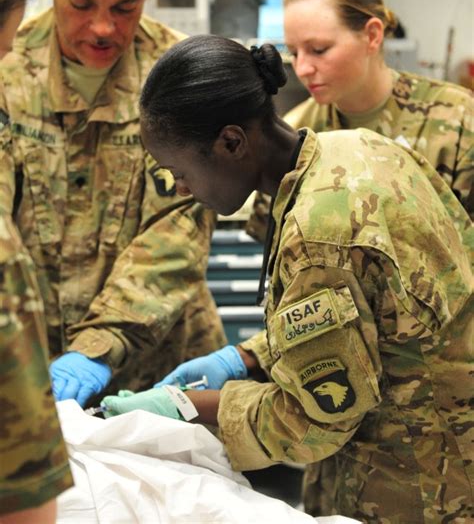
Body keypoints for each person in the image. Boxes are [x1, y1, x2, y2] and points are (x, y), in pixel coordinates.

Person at [101, 35, 473, 524]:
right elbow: (377, 311)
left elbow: (318, 419)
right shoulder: (360, 148)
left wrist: (191, 407)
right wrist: (248, 354)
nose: (183, 189)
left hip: (422, 486)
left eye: (179, 170)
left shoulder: (317, 234)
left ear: (231, 142)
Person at [0, 0, 226, 409]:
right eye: (81, 3)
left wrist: (97, 348)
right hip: (32, 373)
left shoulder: (181, 76)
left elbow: (177, 236)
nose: (103, 28)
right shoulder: (5, 67)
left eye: (125, 7)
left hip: (164, 372)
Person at [246, 0, 473, 245]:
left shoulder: (458, 122)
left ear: (372, 35)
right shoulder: (295, 134)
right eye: (292, 52)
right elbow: (274, 245)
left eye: (319, 50)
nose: (302, 68)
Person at [0, 0, 73, 523]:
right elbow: (27, 503)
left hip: (143, 349)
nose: (103, 26)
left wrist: (100, 346)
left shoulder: (172, 65)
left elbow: (177, 222)